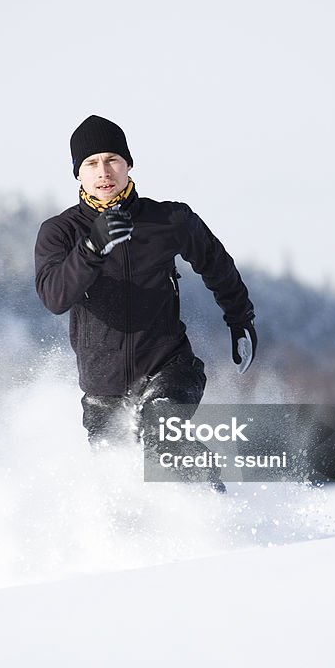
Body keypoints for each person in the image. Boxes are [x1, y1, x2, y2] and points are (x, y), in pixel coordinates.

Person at [34, 115, 256, 490]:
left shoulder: (168, 219)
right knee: (121, 489)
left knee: (163, 435)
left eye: (112, 159)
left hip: (168, 367)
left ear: (128, 164)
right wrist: (91, 248)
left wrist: (240, 318)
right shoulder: (61, 232)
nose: (103, 171)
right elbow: (55, 296)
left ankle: (217, 508)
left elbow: (217, 265)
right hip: (102, 389)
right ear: (78, 174)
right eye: (91, 163)